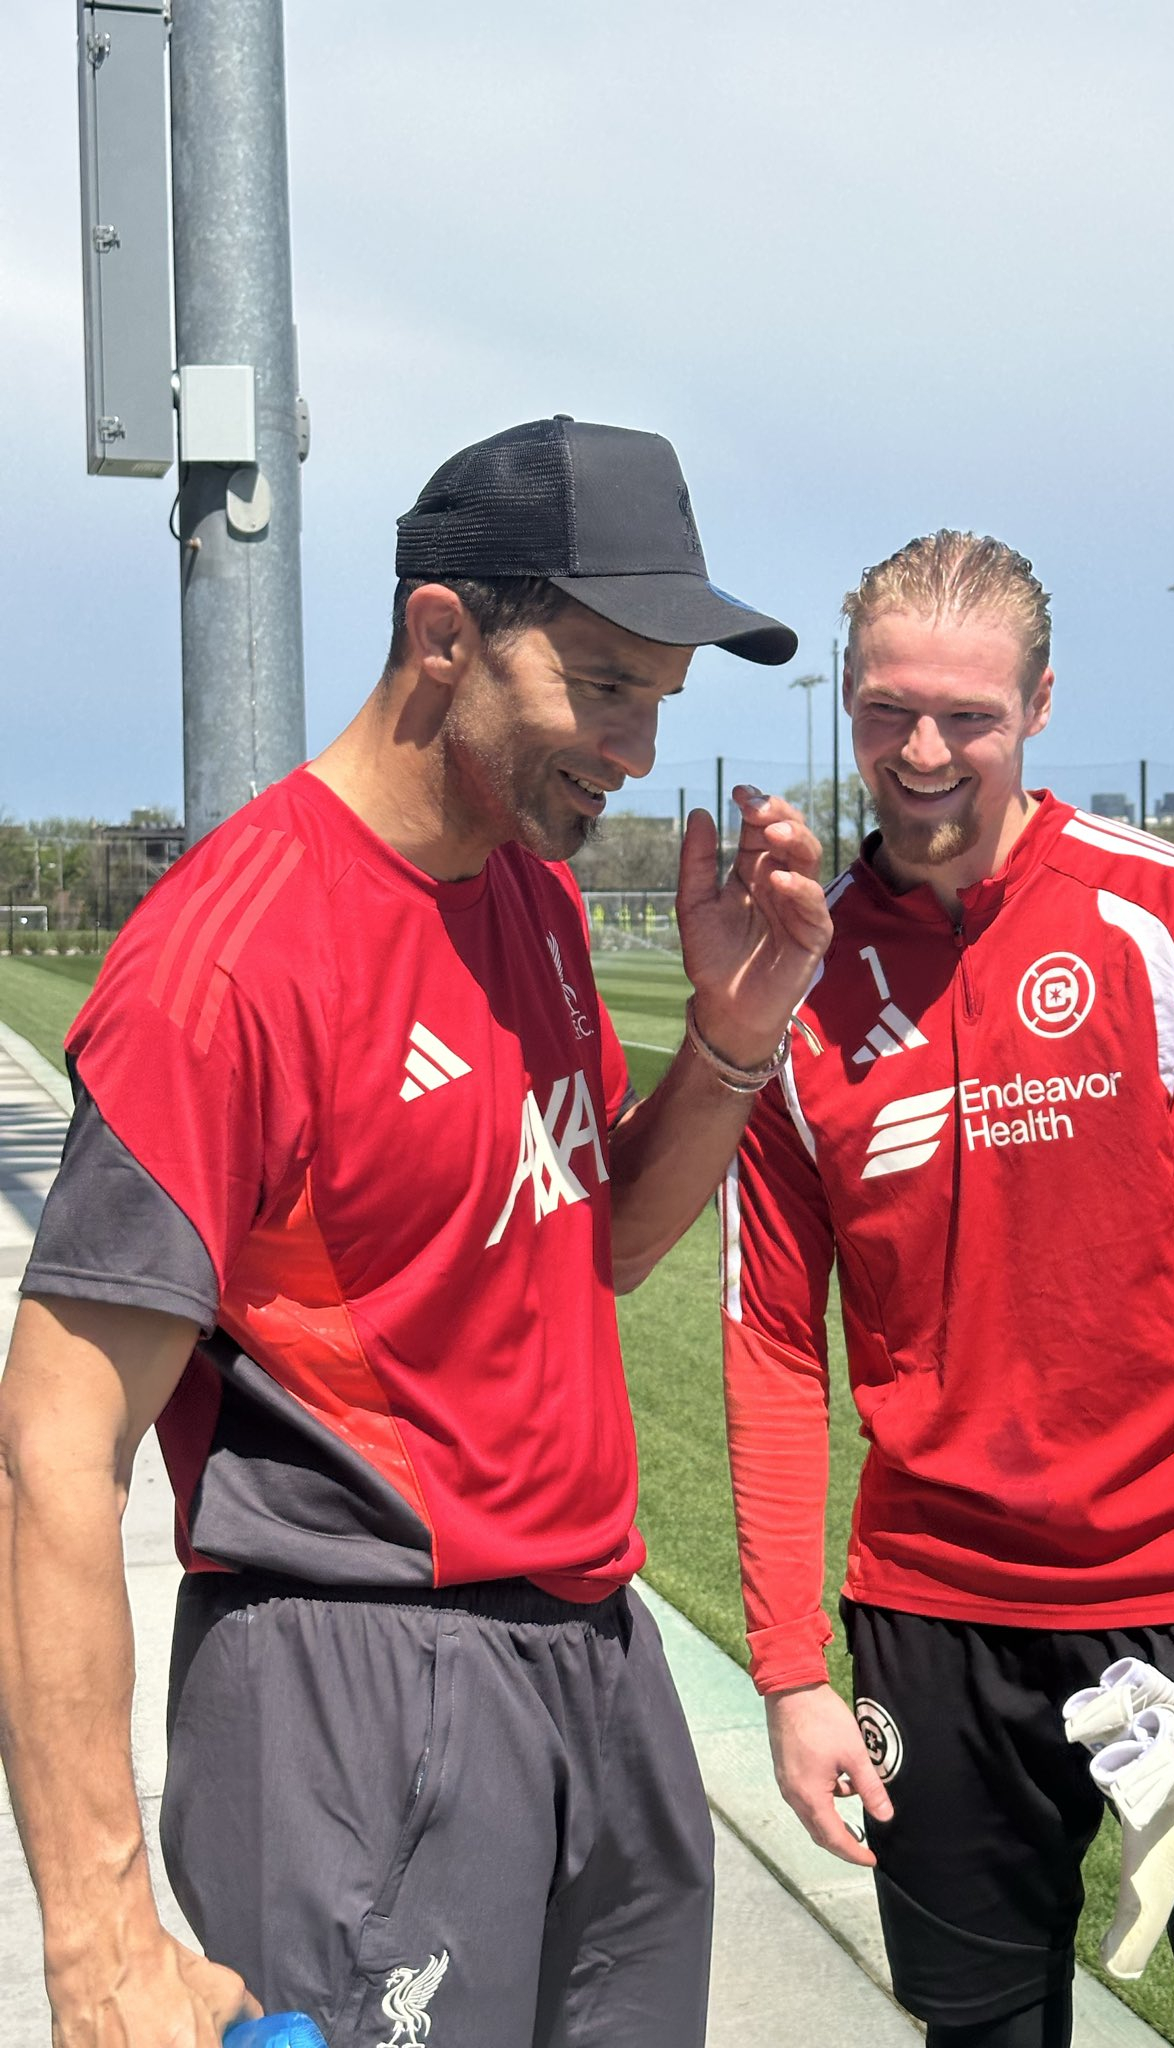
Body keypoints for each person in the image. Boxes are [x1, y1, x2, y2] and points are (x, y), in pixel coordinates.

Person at [0, 418, 832, 2048]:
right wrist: (100, 1944)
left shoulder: (530, 893)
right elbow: (53, 1442)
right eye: (603, 684)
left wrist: (734, 1041)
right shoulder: (232, 962)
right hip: (360, 1682)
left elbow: (587, 1248)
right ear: (443, 633)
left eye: (661, 699)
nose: (636, 749)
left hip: (595, 1658)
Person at [721, 532, 1174, 2048]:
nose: (923, 753)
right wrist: (791, 1672)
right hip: (930, 1625)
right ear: (849, 702)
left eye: (970, 716)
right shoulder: (794, 979)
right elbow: (771, 1341)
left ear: (1041, 705)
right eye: (888, 712)